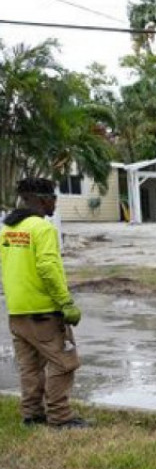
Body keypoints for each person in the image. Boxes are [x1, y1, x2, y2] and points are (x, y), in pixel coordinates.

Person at [1, 178, 87, 428]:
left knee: (30, 367)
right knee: (65, 363)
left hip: (17, 312)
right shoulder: (42, 228)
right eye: (53, 198)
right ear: (39, 199)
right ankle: (60, 417)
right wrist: (66, 302)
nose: (55, 203)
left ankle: (32, 414)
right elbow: (48, 268)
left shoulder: (7, 229)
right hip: (43, 313)